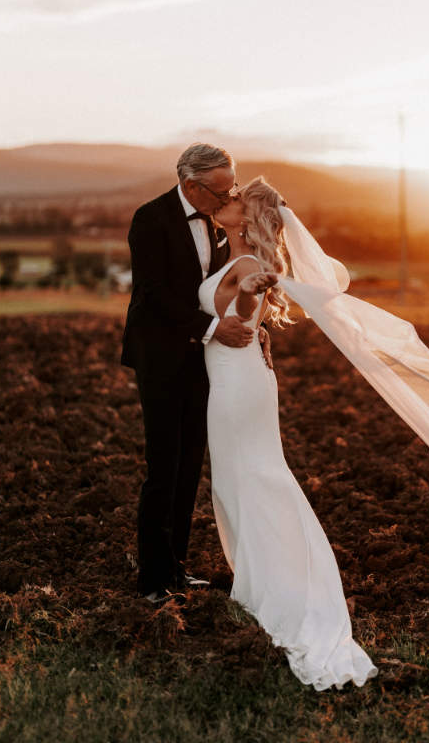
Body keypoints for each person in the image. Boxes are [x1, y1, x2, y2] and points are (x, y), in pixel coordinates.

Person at [199, 176, 429, 691]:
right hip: (237, 378)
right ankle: (259, 583)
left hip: (236, 383)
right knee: (239, 481)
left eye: (238, 198)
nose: (229, 200)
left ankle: (285, 592)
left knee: (253, 479)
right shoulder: (235, 256)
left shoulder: (248, 268)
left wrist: (248, 302)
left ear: (249, 218)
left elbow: (242, 317)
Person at [120, 143, 269, 604]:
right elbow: (152, 294)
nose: (229, 198)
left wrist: (249, 324)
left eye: (234, 188)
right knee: (163, 466)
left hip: (205, 363)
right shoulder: (151, 219)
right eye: (221, 191)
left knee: (190, 467)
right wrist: (211, 328)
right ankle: (151, 580)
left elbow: (223, 288)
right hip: (162, 358)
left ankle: (177, 570)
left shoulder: (219, 224)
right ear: (190, 185)